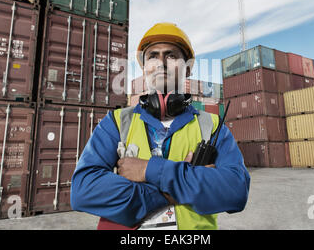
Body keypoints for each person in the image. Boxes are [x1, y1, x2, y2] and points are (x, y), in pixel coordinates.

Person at [70, 22, 250, 230]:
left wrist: (148, 170)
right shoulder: (118, 122)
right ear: (144, 68)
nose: (161, 63)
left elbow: (236, 192)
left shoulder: (211, 126)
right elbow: (83, 190)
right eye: (153, 56)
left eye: (171, 55)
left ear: (188, 68)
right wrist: (169, 191)